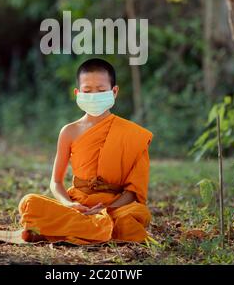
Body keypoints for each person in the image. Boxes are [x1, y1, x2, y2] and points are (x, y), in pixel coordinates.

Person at [18, 58, 153, 244]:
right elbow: (56, 182)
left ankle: (62, 231)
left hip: (113, 207)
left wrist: (106, 209)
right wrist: (69, 204)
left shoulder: (133, 135)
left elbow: (132, 192)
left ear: (114, 92)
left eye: (101, 90)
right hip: (77, 205)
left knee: (137, 214)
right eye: (88, 91)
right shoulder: (69, 132)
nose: (94, 96)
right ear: (77, 93)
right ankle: (95, 230)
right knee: (29, 202)